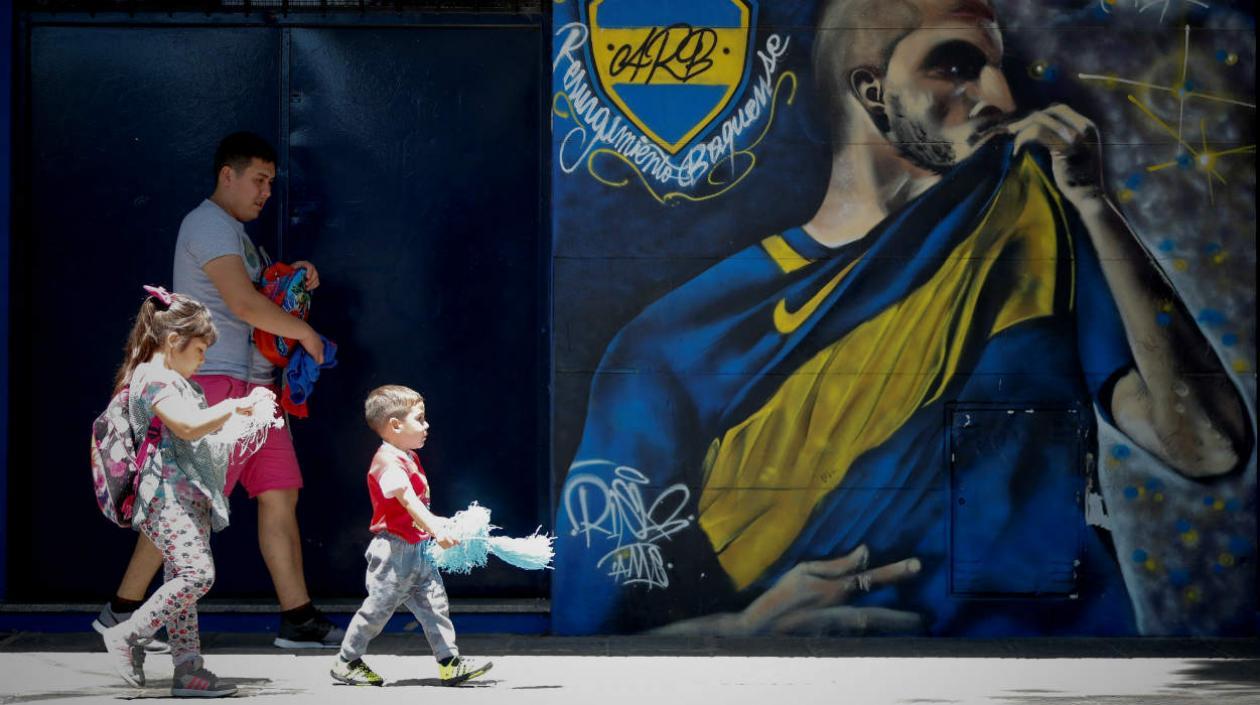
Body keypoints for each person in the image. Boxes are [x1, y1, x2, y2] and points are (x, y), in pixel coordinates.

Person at [553, 0, 1251, 636]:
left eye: (997, 67)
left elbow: (1209, 445)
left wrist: (1096, 208)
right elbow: (599, 627)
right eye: (955, 66)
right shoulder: (671, 343)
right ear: (871, 91)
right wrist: (746, 631)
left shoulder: (1037, 233)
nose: (1000, 97)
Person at [94, 131, 343, 650]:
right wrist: (306, 334)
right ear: (226, 176)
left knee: (280, 495)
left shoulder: (237, 234)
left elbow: (260, 294)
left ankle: (298, 619)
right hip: (214, 384)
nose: (266, 193)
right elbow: (243, 305)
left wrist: (295, 278)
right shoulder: (207, 224)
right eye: (259, 180)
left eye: (271, 183)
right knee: (184, 504)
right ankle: (122, 613)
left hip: (256, 390)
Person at [99, 287, 274, 697]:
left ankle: (188, 670)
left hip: (186, 496)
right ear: (174, 341)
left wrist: (242, 417)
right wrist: (235, 405)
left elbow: (195, 436)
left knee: (181, 582)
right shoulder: (154, 378)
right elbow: (187, 426)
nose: (203, 360)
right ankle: (127, 633)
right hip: (164, 497)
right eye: (199, 350)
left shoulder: (174, 381)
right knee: (197, 575)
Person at [329, 385, 493, 687]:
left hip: (417, 550)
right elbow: (406, 499)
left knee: (435, 605)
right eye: (420, 418)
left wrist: (438, 525)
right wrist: (436, 528)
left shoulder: (406, 456)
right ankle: (347, 660)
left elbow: (416, 506)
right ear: (395, 425)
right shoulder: (387, 461)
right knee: (377, 610)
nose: (427, 425)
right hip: (393, 553)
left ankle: (449, 662)